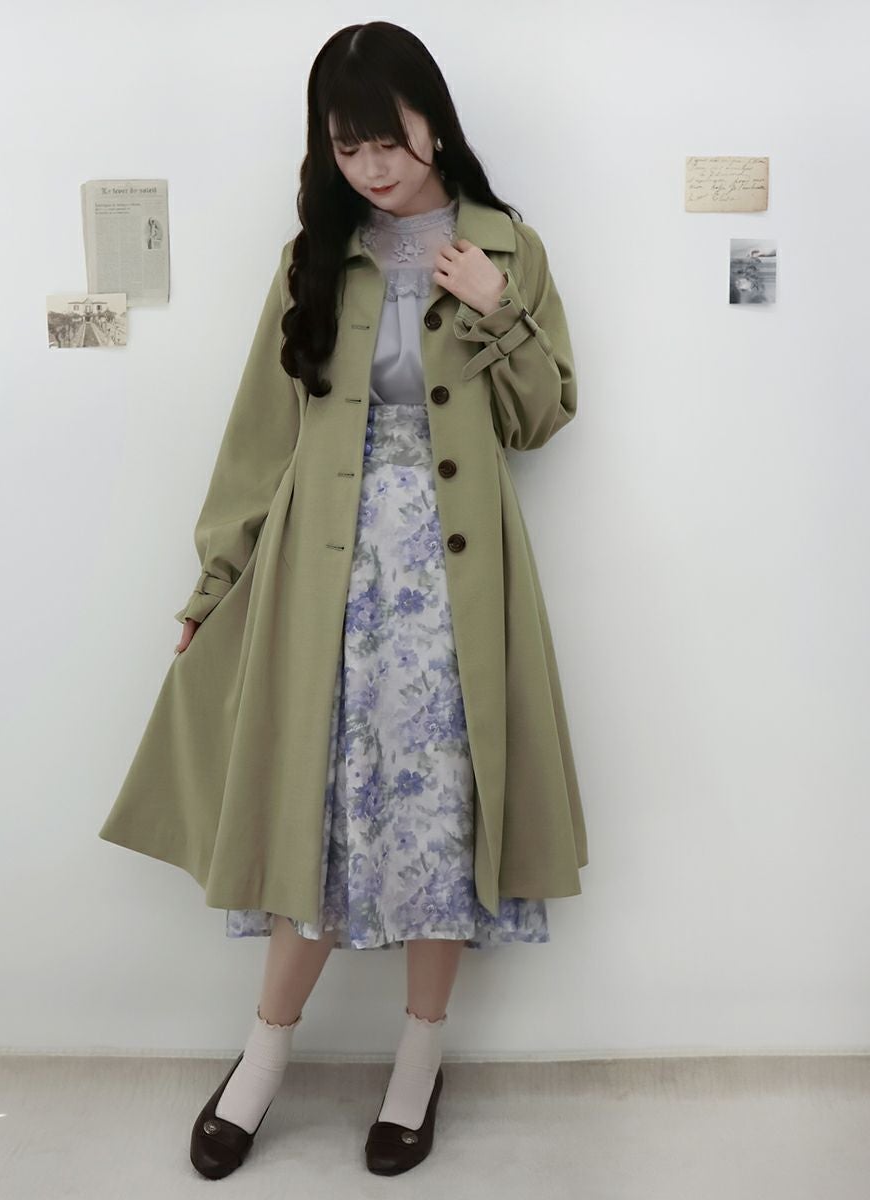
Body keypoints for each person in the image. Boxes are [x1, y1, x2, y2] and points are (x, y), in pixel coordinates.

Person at [133, 20, 583, 1180]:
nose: (373, 166)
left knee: (443, 818)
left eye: (389, 139)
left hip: (455, 582)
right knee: (318, 813)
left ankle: (418, 1063)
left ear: (433, 123)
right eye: (348, 147)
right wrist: (215, 580)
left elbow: (542, 417)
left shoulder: (504, 246)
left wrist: (497, 305)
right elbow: (259, 438)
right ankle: (262, 1058)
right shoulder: (315, 257)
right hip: (319, 580)